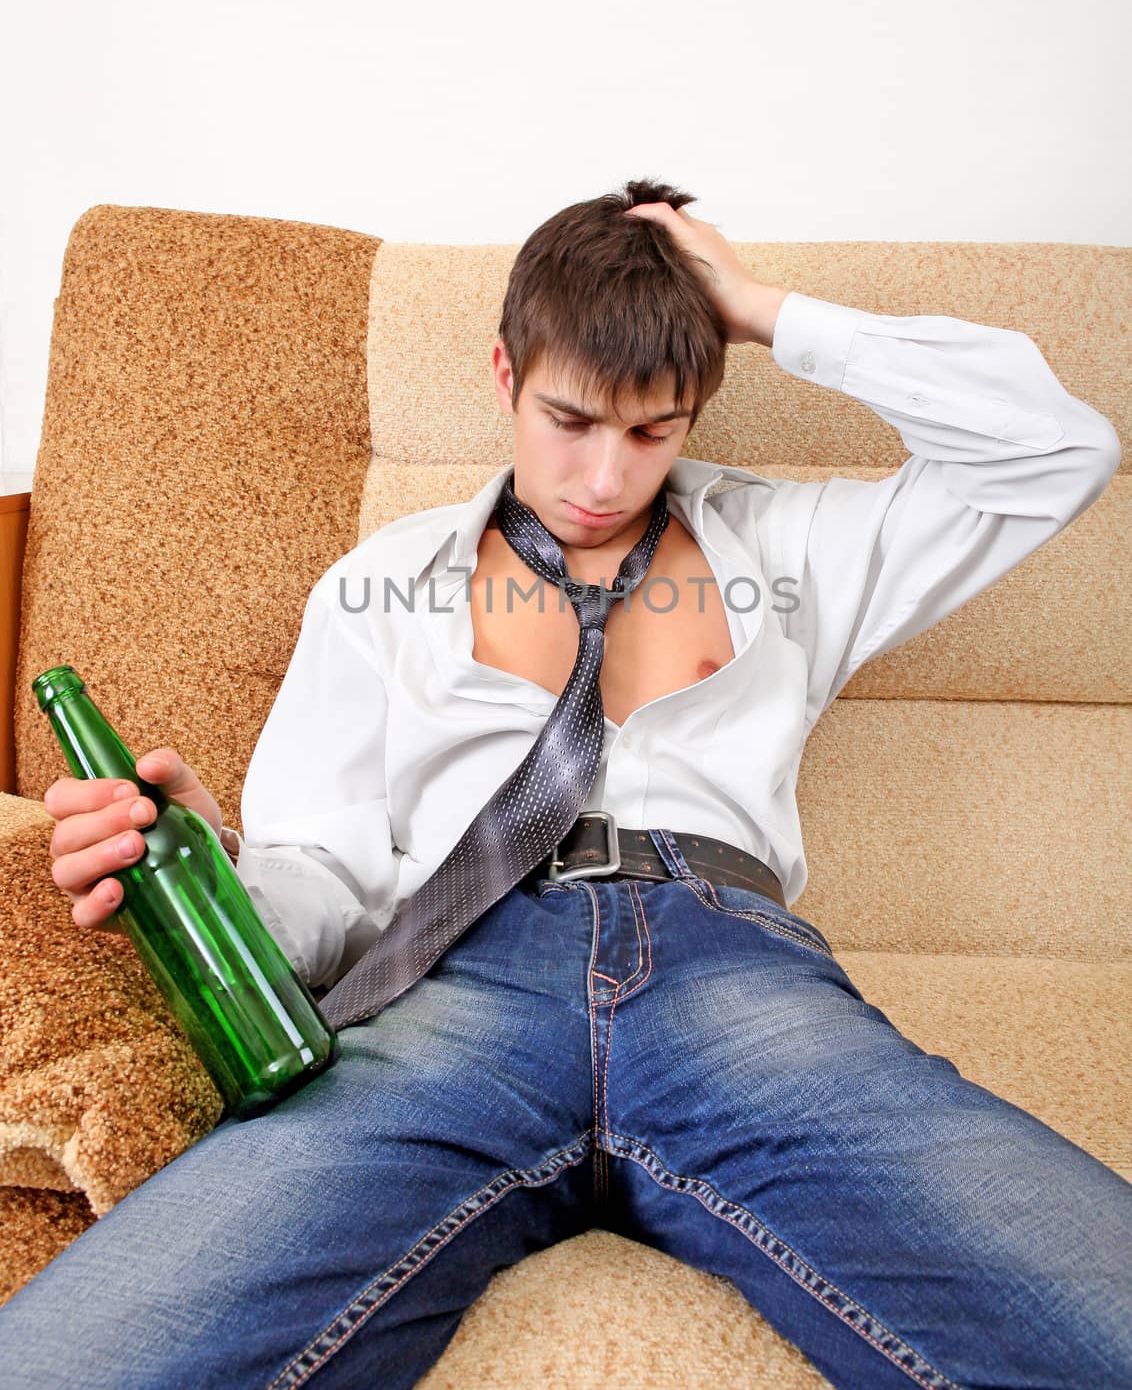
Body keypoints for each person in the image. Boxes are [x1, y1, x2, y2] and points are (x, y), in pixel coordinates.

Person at [2, 181, 1129, 1389]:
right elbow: (324, 880)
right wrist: (211, 871)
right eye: (569, 418)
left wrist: (758, 309)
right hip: (453, 977)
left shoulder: (794, 551)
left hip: (730, 968)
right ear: (502, 374)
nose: (602, 477)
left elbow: (1058, 449)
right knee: (86, 1355)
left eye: (652, 431)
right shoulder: (379, 584)